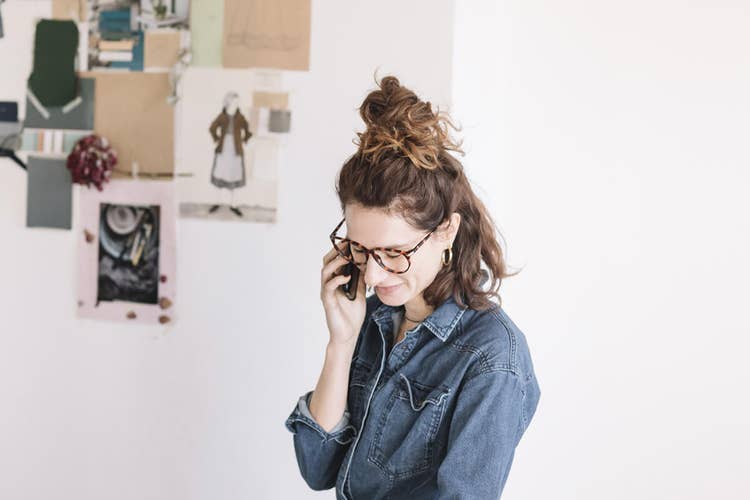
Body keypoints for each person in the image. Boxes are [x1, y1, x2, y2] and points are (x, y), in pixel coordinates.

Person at [284, 74, 541, 499]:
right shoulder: (375, 319)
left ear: (445, 231)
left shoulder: (493, 357)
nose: (373, 275)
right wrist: (341, 342)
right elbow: (317, 467)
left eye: (394, 252)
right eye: (362, 250)